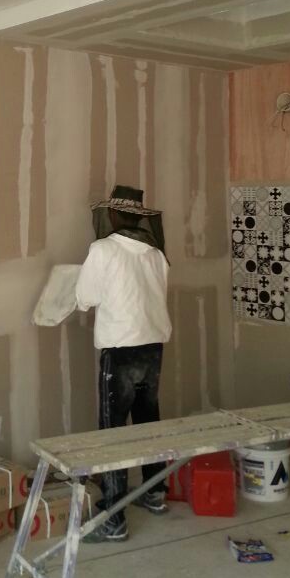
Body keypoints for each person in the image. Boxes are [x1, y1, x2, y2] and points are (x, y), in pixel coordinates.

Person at [75, 185, 172, 542]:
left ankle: (114, 518)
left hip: (120, 350)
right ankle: (154, 493)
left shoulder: (103, 250)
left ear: (113, 215)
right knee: (148, 421)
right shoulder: (156, 255)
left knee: (113, 431)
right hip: (153, 347)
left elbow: (85, 297)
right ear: (139, 218)